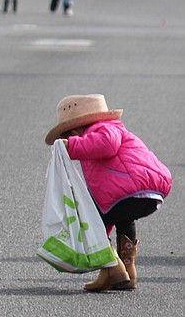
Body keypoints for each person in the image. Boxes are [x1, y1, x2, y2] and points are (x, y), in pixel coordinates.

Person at [44, 94, 171, 292]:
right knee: (121, 219)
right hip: (146, 192)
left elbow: (107, 144)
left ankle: (114, 267)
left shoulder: (103, 128)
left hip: (131, 186)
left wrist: (73, 146)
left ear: (76, 131)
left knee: (90, 221)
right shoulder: (112, 130)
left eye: (67, 137)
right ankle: (126, 269)